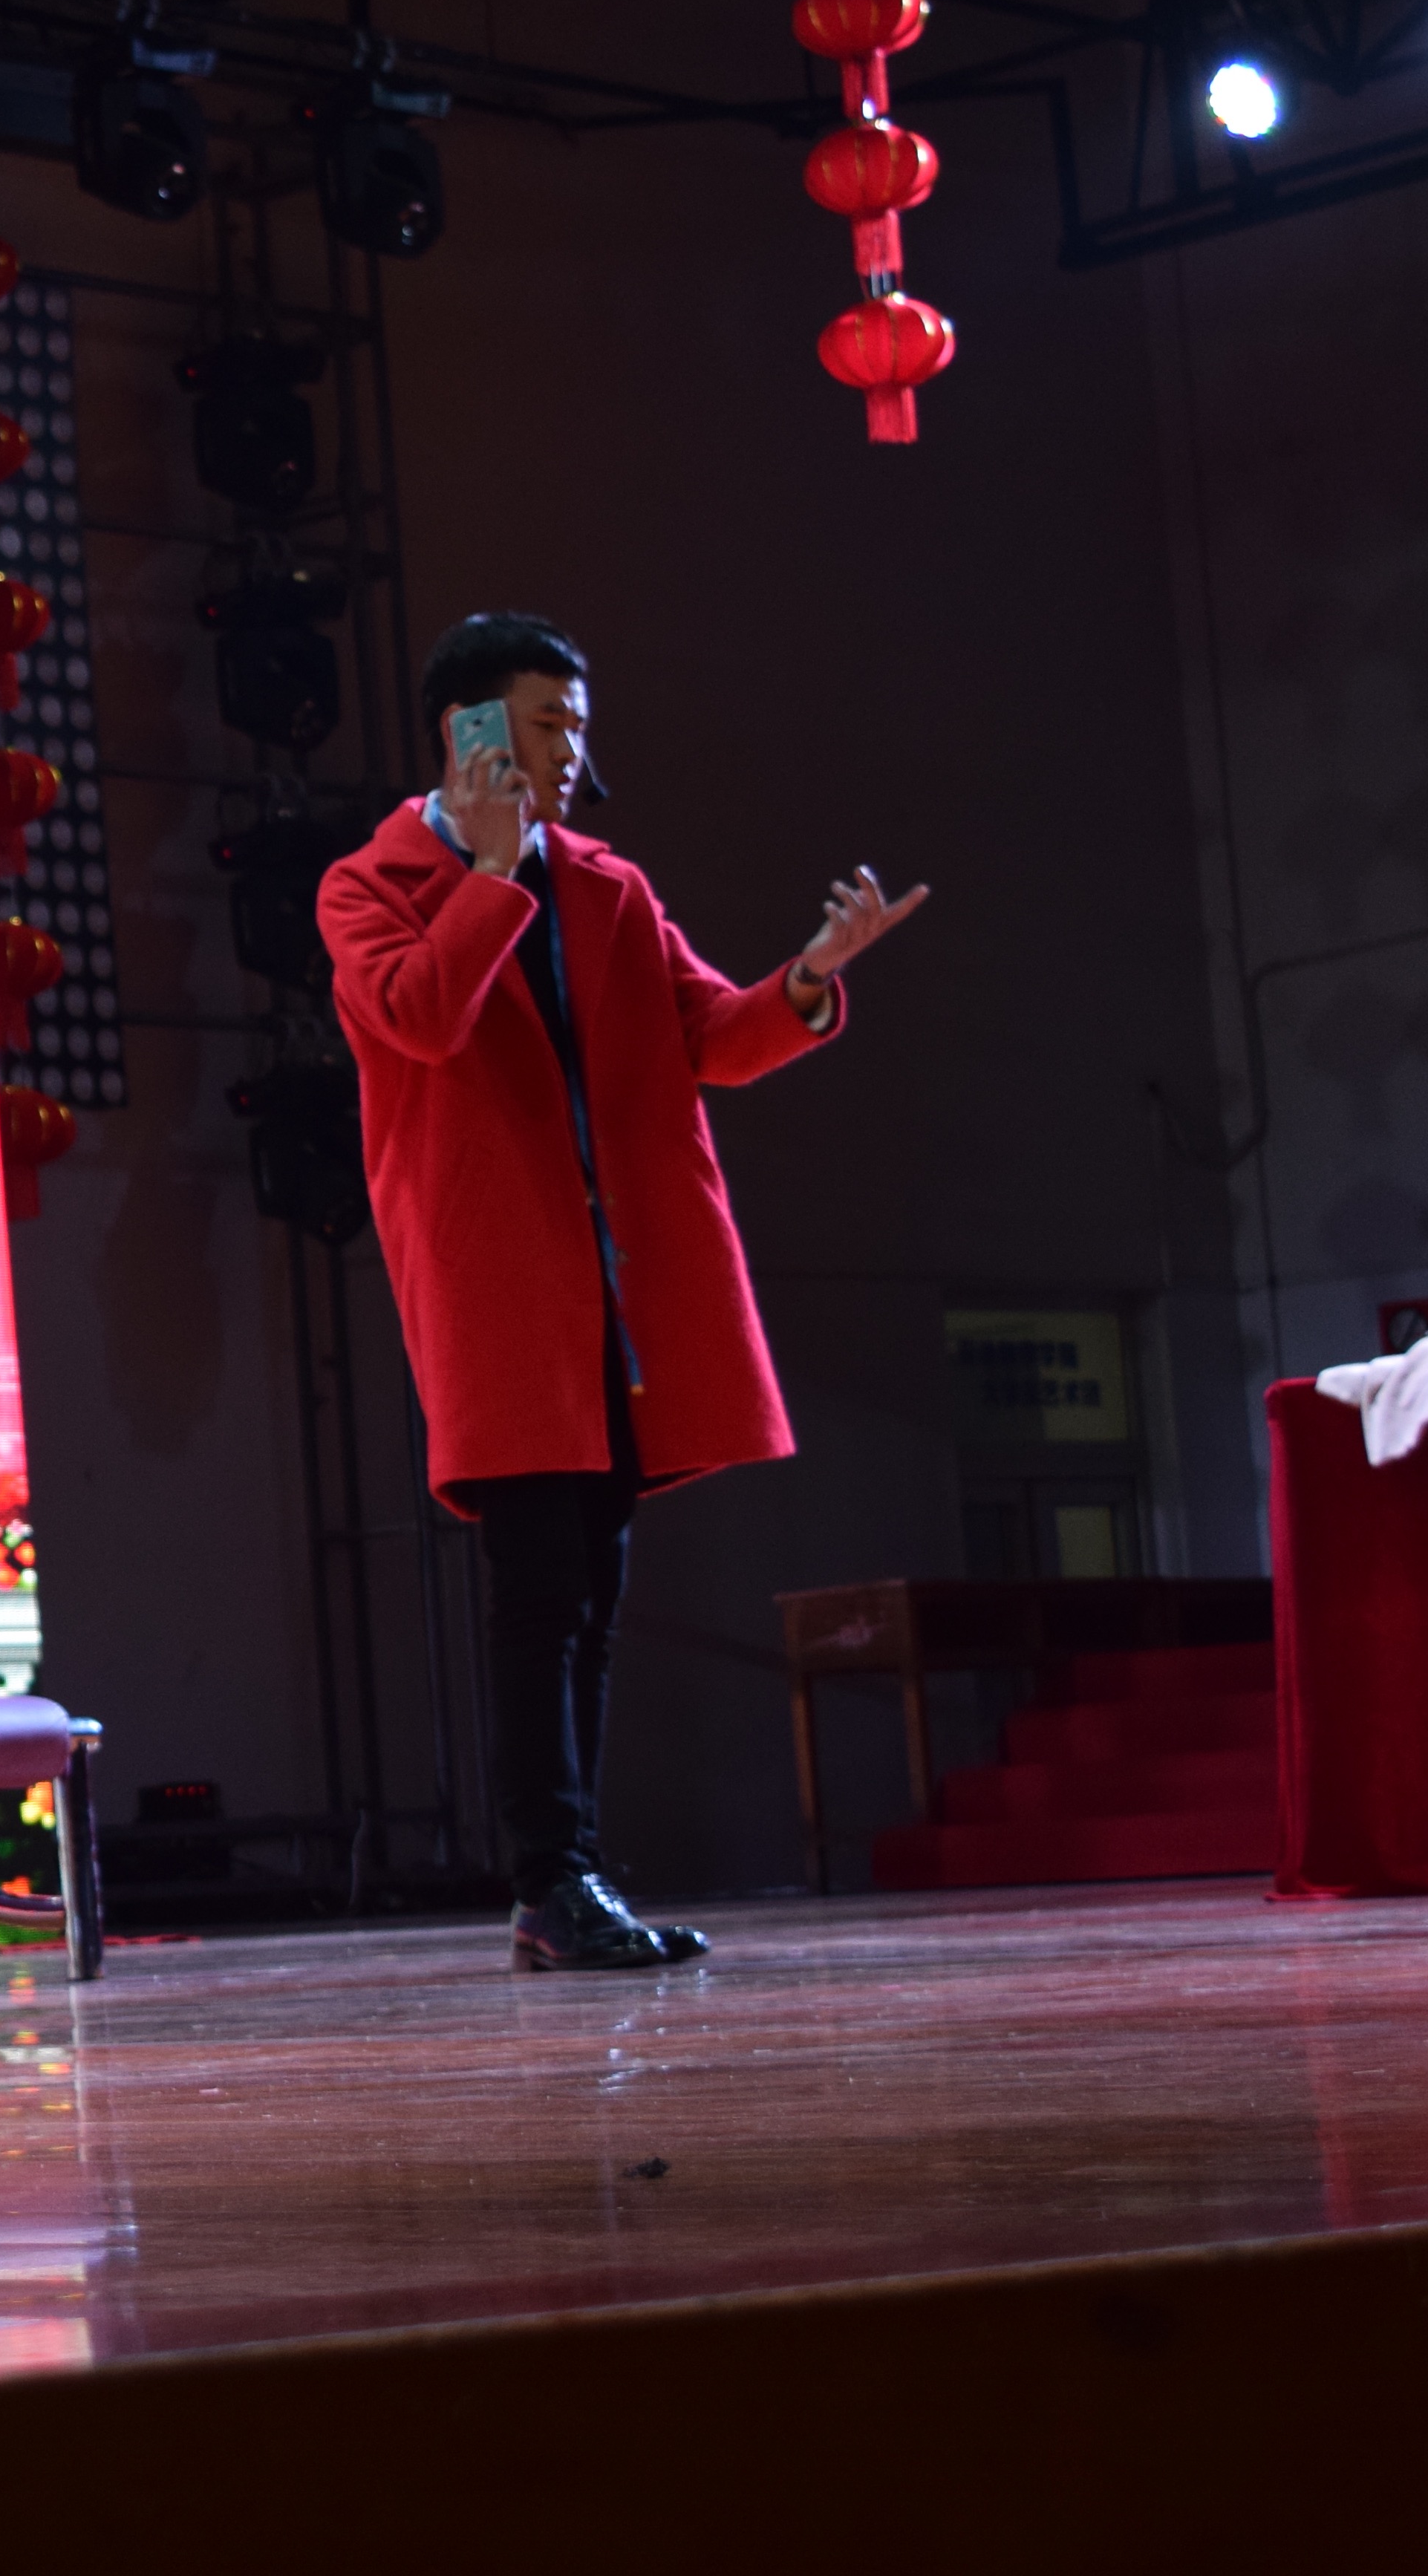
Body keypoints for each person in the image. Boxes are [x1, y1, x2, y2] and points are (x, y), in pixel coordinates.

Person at [319, 614, 925, 1972]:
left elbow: (713, 1036)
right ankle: (551, 1880)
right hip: (497, 1292)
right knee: (539, 1596)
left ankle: (567, 1879)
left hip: (618, 1292)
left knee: (590, 1597)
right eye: (546, 725)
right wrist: (488, 875)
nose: (570, 753)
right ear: (469, 732)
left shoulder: (609, 886)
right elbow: (420, 1018)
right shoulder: (371, 886)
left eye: (578, 728)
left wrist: (811, 978)